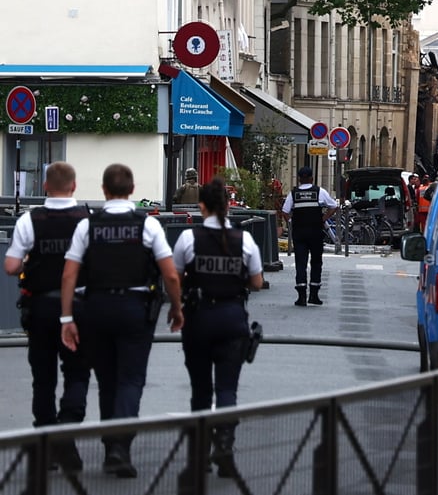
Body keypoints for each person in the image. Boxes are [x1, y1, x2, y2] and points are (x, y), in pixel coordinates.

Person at [60, 163, 184, 478]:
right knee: (130, 380)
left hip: (96, 307)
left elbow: (69, 274)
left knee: (107, 381)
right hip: (134, 308)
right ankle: (119, 448)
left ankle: (109, 444)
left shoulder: (88, 226)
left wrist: (66, 318)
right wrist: (177, 307)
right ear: (132, 190)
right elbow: (170, 273)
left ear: (104, 190)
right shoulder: (147, 226)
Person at [173, 177, 263, 478]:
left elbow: (175, 277)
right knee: (227, 389)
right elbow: (257, 281)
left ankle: (198, 459)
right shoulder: (244, 240)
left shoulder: (188, 239)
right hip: (232, 318)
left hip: (198, 318)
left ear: (202, 207)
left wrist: (177, 306)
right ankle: (224, 445)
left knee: (200, 391)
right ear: (228, 206)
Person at [4, 161, 91, 472]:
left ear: (44, 187)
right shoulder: (86, 220)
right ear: (74, 186)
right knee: (78, 373)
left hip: (40, 306)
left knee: (43, 379)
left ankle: (44, 443)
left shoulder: (31, 219)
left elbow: (11, 267)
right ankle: (66, 434)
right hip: (78, 307)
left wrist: (32, 262)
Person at [281, 166, 337, 306]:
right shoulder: (319, 192)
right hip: (315, 232)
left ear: (299, 179)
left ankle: (301, 296)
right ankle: (314, 295)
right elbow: (333, 206)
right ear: (312, 178)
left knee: (301, 263)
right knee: (316, 262)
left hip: (299, 233)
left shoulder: (293, 194)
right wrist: (323, 218)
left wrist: (291, 222)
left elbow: (285, 211)